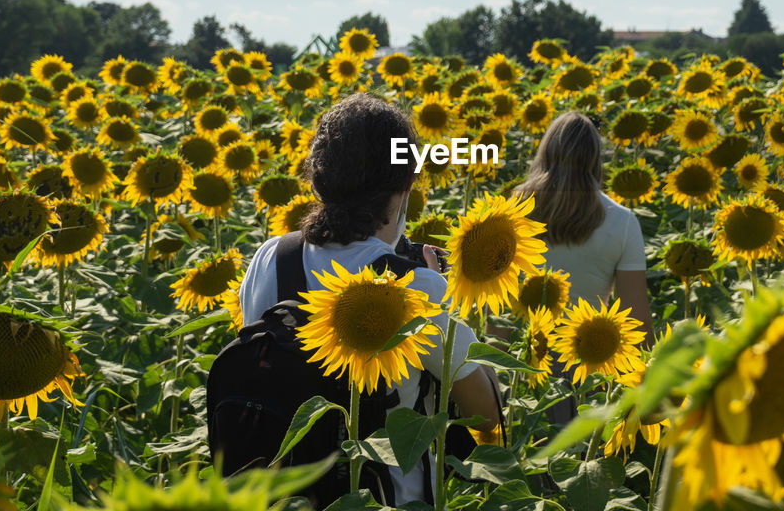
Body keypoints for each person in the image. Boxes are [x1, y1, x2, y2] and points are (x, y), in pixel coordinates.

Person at [239, 92, 501, 506]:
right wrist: (442, 297)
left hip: (284, 496)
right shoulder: (416, 287)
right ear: (402, 187)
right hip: (388, 498)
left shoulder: (272, 258)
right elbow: (486, 413)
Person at [512, 111, 654, 343]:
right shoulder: (622, 221)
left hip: (524, 354)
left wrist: (497, 369)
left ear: (545, 153)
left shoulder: (517, 207)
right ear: (595, 157)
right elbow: (636, 317)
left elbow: (498, 308)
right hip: (588, 355)